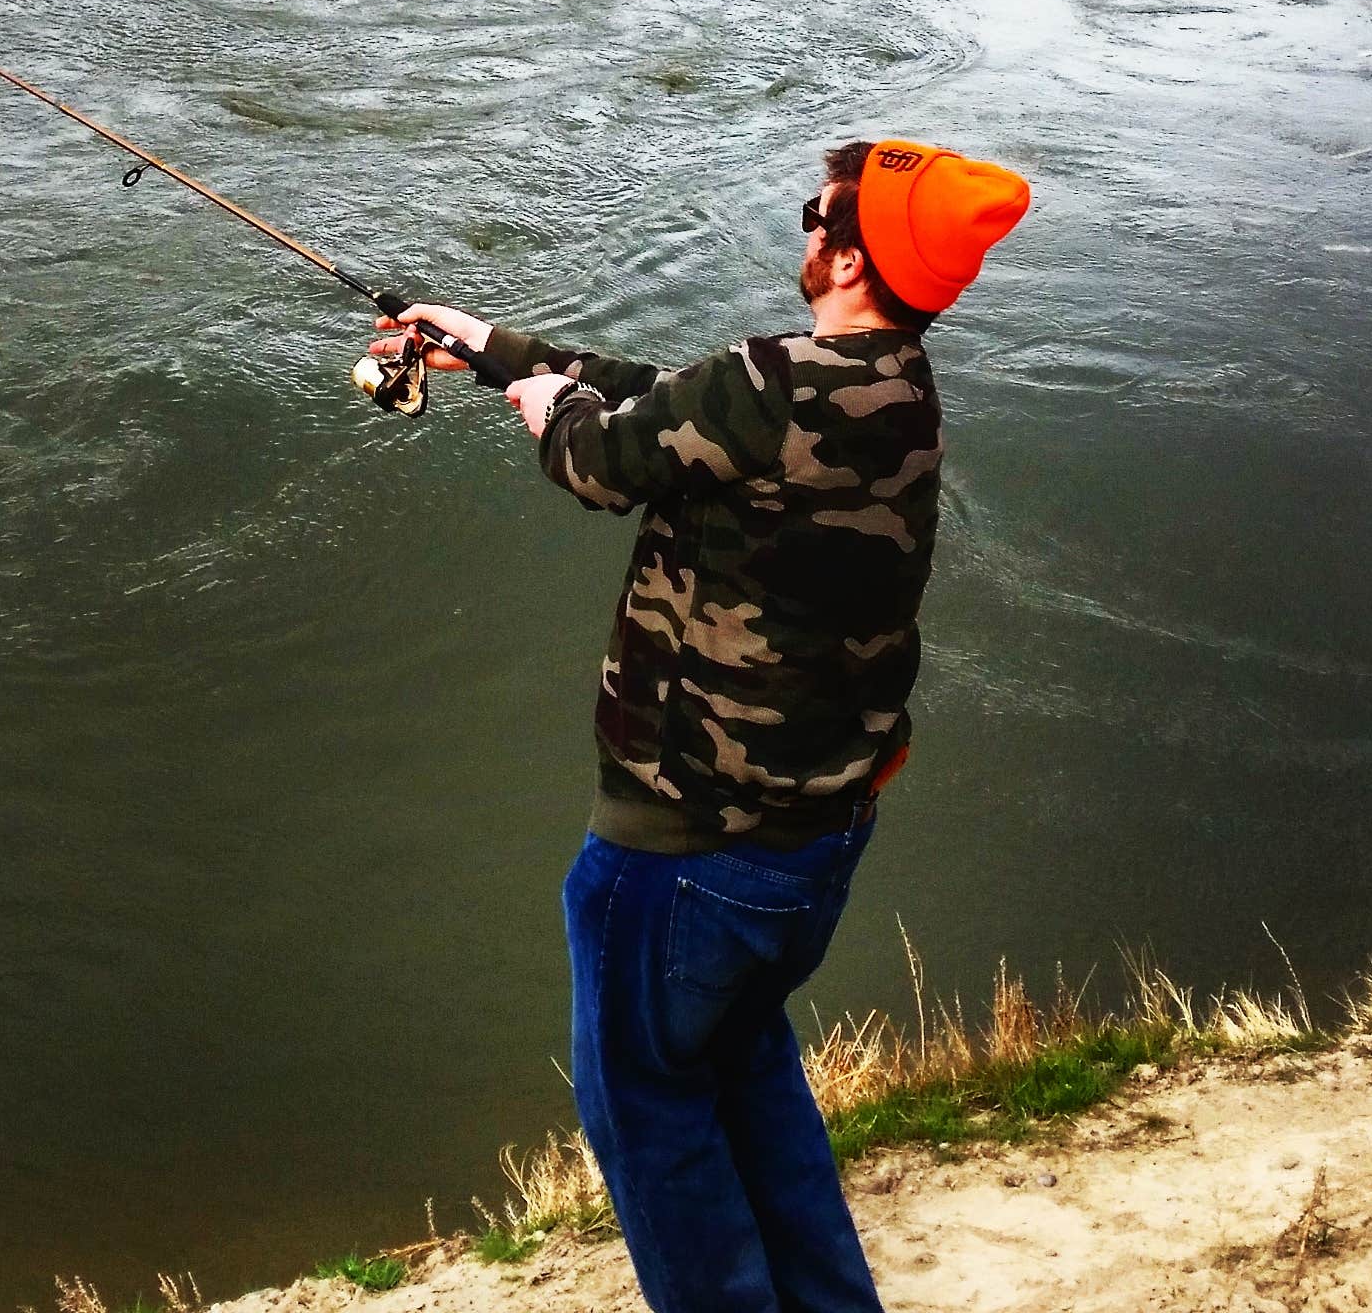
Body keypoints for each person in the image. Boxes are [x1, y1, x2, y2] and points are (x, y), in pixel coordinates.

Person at [371, 136, 1030, 1313]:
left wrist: (547, 404)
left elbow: (601, 459)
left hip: (685, 847)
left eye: (819, 212)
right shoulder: (893, 394)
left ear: (848, 252)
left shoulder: (775, 383)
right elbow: (682, 405)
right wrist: (496, 349)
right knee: (742, 1074)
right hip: (811, 842)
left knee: (650, 1117)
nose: (804, 227)